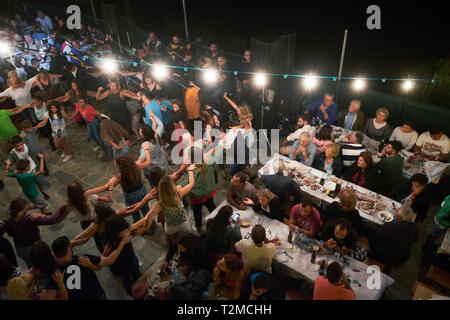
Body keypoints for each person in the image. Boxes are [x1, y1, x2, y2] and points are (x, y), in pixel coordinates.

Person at [0, 198, 70, 268]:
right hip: (36, 248)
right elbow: (53, 219)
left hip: (21, 250)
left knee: (32, 267)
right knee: (45, 263)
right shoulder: (31, 219)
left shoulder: (6, 222)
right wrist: (64, 206)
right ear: (23, 208)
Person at [111, 155, 157, 235]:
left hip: (129, 196)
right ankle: (152, 229)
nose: (115, 165)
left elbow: (110, 185)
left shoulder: (120, 177)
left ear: (120, 166)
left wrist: (111, 181)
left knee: (135, 214)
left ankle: (139, 230)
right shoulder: (136, 167)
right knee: (147, 211)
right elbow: (146, 162)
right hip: (141, 192)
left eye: (116, 164)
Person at [369, 205, 418, 273]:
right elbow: (415, 239)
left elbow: (373, 239)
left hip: (384, 255)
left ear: (399, 217)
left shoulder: (389, 226)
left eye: (396, 213)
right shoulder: (414, 227)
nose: (395, 214)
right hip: (399, 258)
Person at [158, 164, 196, 247]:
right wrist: (190, 170)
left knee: (174, 241)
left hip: (170, 227)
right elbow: (191, 183)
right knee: (187, 238)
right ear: (172, 186)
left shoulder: (160, 203)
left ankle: (174, 245)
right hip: (182, 223)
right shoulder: (179, 194)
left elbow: (149, 216)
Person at [186, 147, 217, 234]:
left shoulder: (192, 170)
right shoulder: (208, 162)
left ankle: (198, 227)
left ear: (190, 157)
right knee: (211, 205)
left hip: (198, 196)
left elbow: (189, 183)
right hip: (209, 191)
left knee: (197, 212)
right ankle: (217, 219)